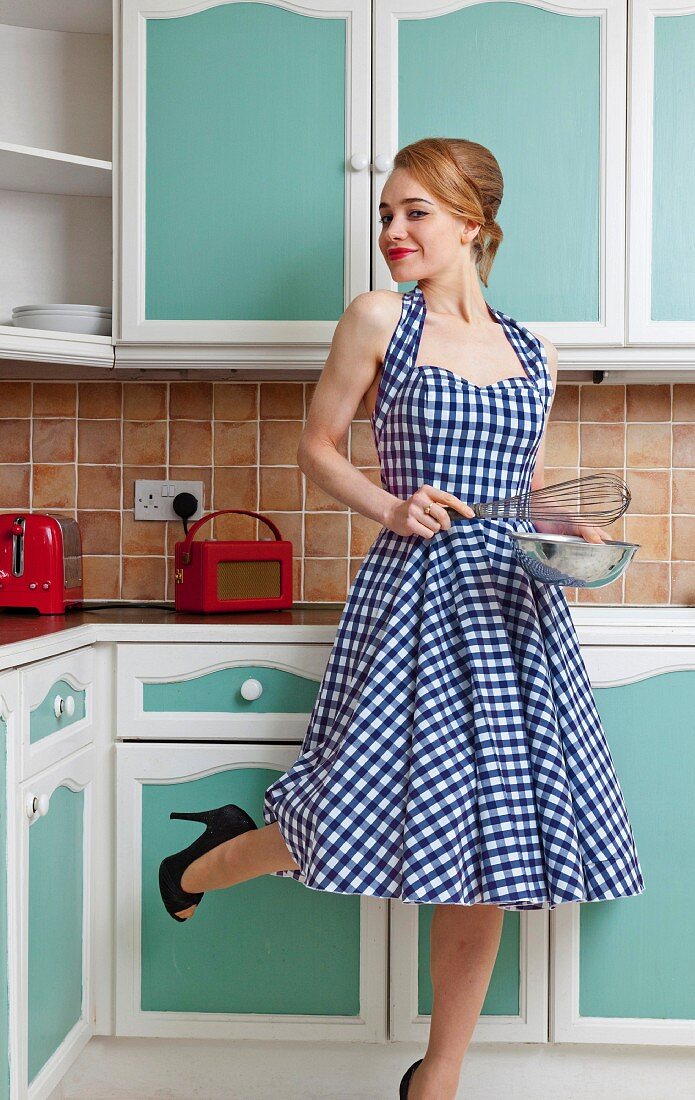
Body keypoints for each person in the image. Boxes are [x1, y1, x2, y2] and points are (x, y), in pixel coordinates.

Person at [159, 137, 645, 1100]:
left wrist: (561, 520)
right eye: (385, 212)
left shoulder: (532, 348)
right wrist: (388, 506)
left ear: (471, 222)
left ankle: (439, 1080)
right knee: (344, 815)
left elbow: (520, 482)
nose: (391, 230)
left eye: (414, 211)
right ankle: (200, 861)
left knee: (488, 852)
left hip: (512, 609)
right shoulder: (381, 319)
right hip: (414, 599)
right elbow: (317, 445)